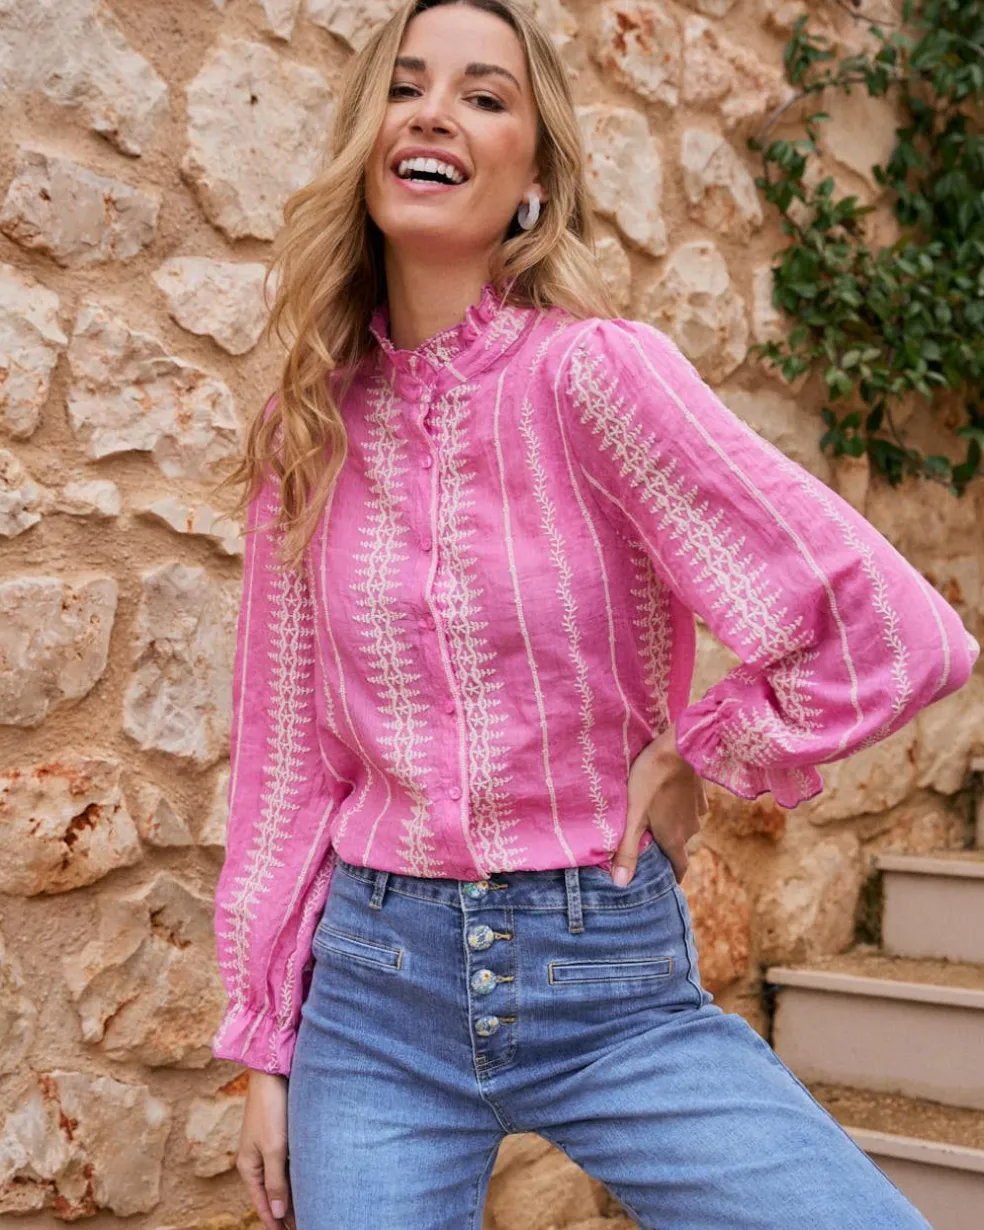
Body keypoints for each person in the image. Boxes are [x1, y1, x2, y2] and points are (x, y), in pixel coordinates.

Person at [210, 2, 980, 1227]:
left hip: (607, 979)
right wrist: (265, 1048)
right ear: (364, 143)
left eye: (484, 96)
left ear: (534, 180)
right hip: (372, 998)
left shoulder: (595, 376)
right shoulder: (307, 431)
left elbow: (893, 628)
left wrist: (706, 749)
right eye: (406, 87)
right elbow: (289, 765)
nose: (434, 114)